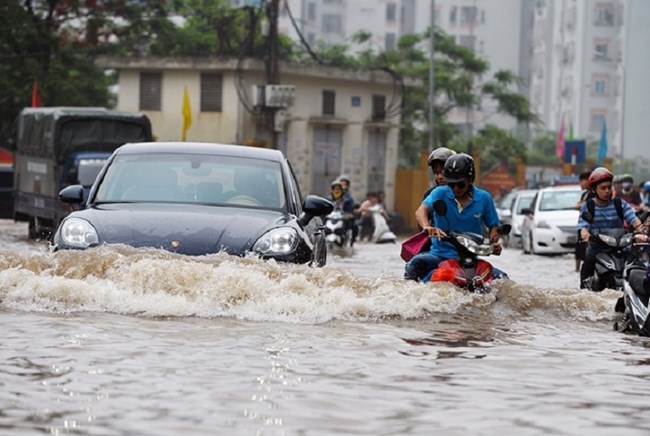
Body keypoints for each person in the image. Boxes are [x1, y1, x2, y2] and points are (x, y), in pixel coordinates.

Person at [404, 153, 506, 282]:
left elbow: (493, 226)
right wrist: (427, 227)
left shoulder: (484, 198)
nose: (456, 189)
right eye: (451, 185)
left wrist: (493, 243)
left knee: (503, 279)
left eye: (460, 184)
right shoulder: (440, 193)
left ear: (470, 180)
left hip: (471, 258)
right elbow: (421, 211)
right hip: (439, 255)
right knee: (415, 264)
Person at [577, 167, 642, 289]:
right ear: (593, 189)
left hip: (621, 247)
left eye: (609, 187)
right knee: (587, 267)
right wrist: (586, 235)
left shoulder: (619, 204)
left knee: (639, 268)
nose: (607, 191)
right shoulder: (588, 206)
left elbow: (635, 221)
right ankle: (585, 291)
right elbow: (583, 227)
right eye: (603, 188)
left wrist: (641, 231)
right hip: (598, 248)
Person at [574, 170, 593, 272]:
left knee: (587, 248)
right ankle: (577, 270)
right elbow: (578, 205)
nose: (580, 184)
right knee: (579, 248)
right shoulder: (585, 194)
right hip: (581, 224)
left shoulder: (594, 194)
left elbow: (581, 205)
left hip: (590, 225)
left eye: (582, 181)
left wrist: (581, 204)